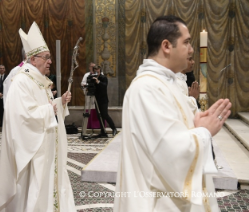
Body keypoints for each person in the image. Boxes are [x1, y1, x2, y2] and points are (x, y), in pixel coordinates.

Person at [114, 15, 231, 212]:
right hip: (157, 200)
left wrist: (195, 123)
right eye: (187, 42)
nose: (192, 49)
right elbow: (166, 150)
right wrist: (203, 132)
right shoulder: (146, 88)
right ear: (166, 46)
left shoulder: (168, 83)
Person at [0, 22, 76, 212]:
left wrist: (59, 102)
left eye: (49, 57)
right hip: (34, 150)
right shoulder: (21, 82)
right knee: (36, 189)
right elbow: (21, 117)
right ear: (33, 59)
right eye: (46, 57)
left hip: (47, 146)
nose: (50, 61)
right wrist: (50, 109)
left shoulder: (40, 81)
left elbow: (44, 108)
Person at [92, 65, 117, 137]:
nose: (97, 72)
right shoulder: (93, 78)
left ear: (100, 70)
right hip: (97, 100)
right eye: (95, 71)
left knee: (105, 115)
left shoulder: (103, 78)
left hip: (103, 100)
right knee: (99, 116)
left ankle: (114, 128)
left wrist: (98, 82)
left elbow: (104, 86)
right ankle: (103, 131)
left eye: (98, 71)